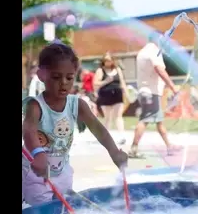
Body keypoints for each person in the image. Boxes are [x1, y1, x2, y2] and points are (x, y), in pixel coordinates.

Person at [22, 42, 128, 206]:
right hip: (35, 173)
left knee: (64, 207)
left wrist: (114, 152)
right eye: (56, 77)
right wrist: (38, 153)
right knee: (43, 209)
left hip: (62, 173)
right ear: (41, 75)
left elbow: (98, 129)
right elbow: (28, 130)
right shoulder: (35, 106)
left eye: (69, 77)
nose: (63, 82)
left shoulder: (77, 104)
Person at [129, 41, 179, 158]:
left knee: (159, 121)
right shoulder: (154, 51)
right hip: (151, 93)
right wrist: (172, 86)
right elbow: (159, 69)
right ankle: (133, 148)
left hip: (146, 91)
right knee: (145, 120)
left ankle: (169, 146)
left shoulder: (143, 52)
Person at [94, 53, 129, 132]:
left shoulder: (117, 69)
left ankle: (122, 135)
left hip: (117, 95)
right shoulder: (100, 70)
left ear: (113, 61)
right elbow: (95, 83)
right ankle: (106, 136)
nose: (108, 62)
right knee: (107, 117)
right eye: (106, 60)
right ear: (103, 61)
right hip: (105, 96)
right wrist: (106, 81)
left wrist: (127, 93)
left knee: (118, 116)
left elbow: (122, 82)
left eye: (109, 60)